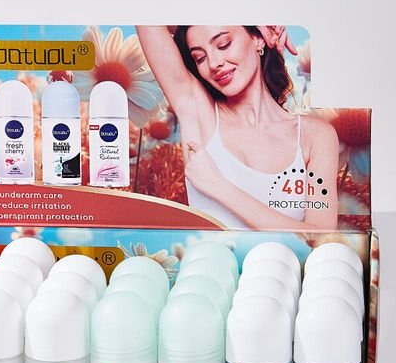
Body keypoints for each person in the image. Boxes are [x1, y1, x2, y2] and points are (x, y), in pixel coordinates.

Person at [136, 25, 339, 230]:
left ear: (258, 39)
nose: (213, 63)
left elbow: (321, 237)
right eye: (200, 58)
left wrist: (219, 187)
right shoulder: (198, 113)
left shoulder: (315, 136)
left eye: (223, 44)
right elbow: (148, 20)